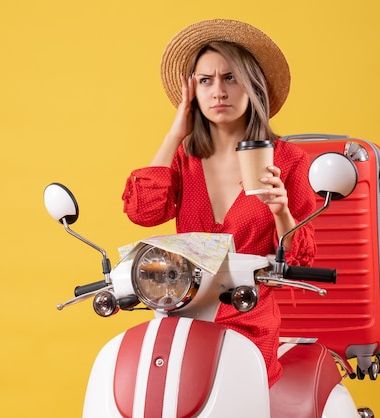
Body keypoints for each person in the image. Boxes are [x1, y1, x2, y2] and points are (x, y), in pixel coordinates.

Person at [121, 19, 317, 387]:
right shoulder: (184, 157)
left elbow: (300, 260)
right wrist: (175, 132)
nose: (218, 92)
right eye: (205, 80)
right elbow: (144, 214)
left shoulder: (288, 160)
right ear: (192, 90)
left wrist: (281, 211)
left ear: (252, 84)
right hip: (183, 316)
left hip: (249, 318)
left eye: (230, 78)